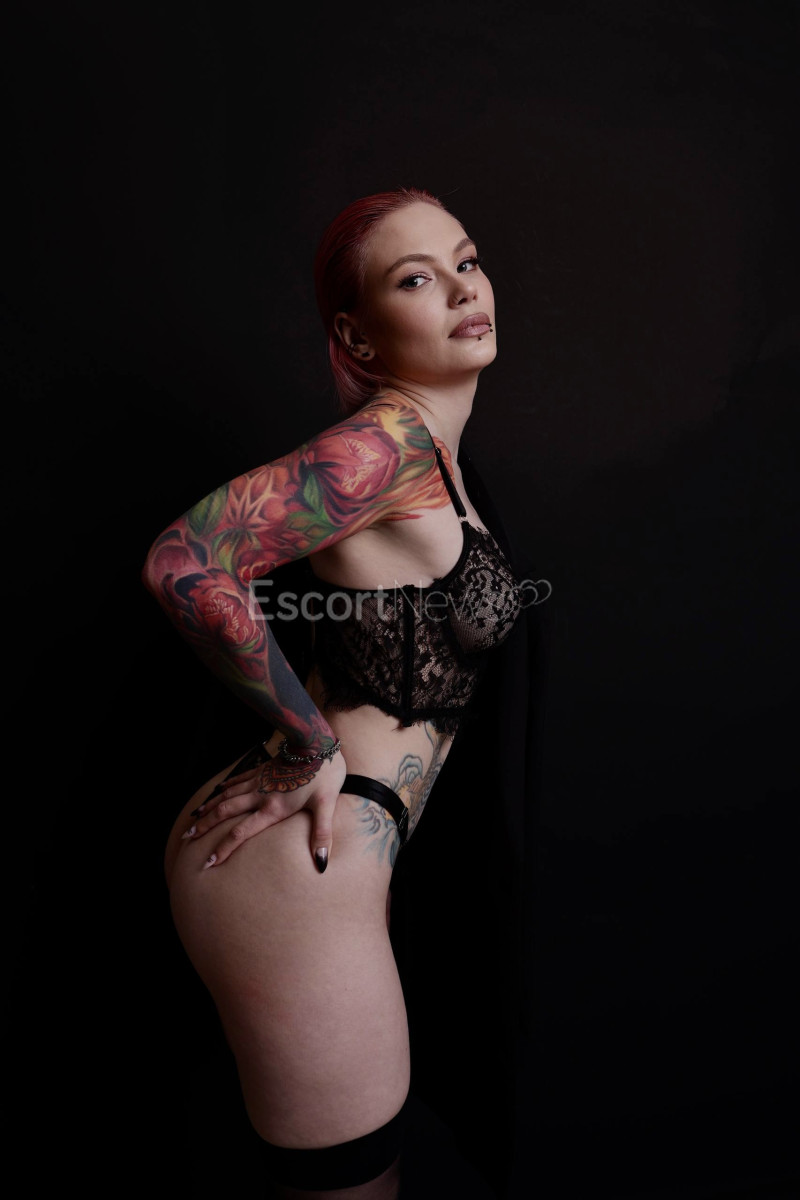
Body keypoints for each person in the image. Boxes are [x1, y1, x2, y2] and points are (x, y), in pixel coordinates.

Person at [142, 186, 526, 1198]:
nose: (462, 290)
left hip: (322, 858)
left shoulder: (431, 451)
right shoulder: (380, 450)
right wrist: (309, 740)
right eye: (417, 279)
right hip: (301, 869)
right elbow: (186, 561)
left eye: (467, 261)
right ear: (357, 334)